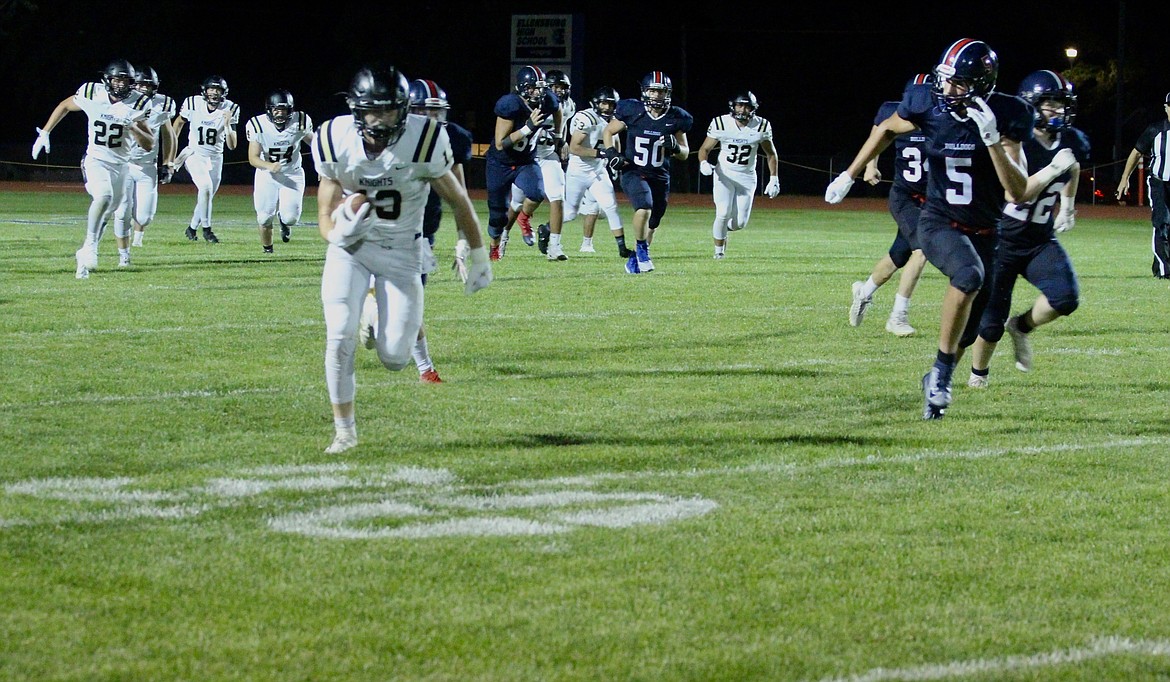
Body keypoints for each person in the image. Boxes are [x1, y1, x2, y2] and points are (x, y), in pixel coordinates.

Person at [824, 38, 1036, 420]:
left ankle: (935, 379)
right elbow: (887, 128)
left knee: (969, 332)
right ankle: (940, 375)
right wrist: (850, 174)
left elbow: (1017, 191)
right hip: (939, 220)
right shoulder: (927, 103)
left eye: (958, 83)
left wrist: (991, 140)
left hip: (987, 230)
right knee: (968, 275)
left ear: (982, 84)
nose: (947, 90)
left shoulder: (1008, 114)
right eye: (945, 80)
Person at [312, 64, 492, 454]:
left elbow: (459, 198)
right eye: (374, 111)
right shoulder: (333, 138)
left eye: (391, 110)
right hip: (352, 250)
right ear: (357, 110)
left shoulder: (424, 139)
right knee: (339, 335)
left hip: (403, 252)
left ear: (404, 109)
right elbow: (325, 217)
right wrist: (339, 232)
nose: (382, 120)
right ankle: (345, 431)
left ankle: (375, 315)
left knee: (395, 358)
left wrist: (476, 252)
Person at [967, 70, 1088, 387]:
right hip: (1002, 238)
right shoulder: (1015, 141)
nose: (1058, 111)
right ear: (1031, 106)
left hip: (1039, 239)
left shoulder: (1070, 140)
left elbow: (1072, 165)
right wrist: (1052, 170)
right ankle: (978, 376)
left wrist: (1069, 205)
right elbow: (1015, 193)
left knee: (1065, 298)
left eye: (1061, 105)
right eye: (1050, 104)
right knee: (990, 321)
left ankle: (1021, 326)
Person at [359, 77, 475, 384]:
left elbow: (459, 196)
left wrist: (462, 242)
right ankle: (425, 367)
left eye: (437, 112)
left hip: (419, 235)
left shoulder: (450, 140)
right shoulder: (383, 139)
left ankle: (376, 320)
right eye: (425, 112)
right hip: (377, 233)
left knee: (409, 306)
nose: (433, 119)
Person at [31, 58, 154, 279]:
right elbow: (65, 105)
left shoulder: (139, 103)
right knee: (104, 197)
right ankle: (90, 246)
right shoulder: (91, 92)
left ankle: (84, 255)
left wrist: (132, 126)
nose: (121, 85)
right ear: (107, 79)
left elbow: (149, 143)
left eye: (125, 80)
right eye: (117, 79)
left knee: (109, 209)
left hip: (122, 164)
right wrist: (46, 132)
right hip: (95, 159)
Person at [849, 74, 933, 337]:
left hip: (933, 201)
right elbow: (879, 134)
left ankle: (863, 292)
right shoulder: (894, 112)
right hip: (905, 196)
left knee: (899, 255)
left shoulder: (941, 118)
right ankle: (898, 316)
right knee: (922, 249)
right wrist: (871, 166)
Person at [602, 71, 693, 274]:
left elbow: (685, 153)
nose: (656, 96)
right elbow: (608, 131)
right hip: (633, 170)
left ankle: (636, 258)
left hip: (660, 175)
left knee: (654, 220)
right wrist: (611, 153)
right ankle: (642, 251)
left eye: (661, 92)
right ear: (645, 92)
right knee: (644, 207)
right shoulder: (633, 110)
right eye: (652, 91)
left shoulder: (675, 117)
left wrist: (677, 148)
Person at [694, 91, 780, 260]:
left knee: (739, 223)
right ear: (733, 106)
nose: (742, 110)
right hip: (724, 174)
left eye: (747, 106)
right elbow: (704, 149)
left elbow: (771, 154)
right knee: (723, 212)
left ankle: (722, 229)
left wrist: (774, 178)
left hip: (747, 177)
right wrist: (703, 162)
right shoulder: (721, 123)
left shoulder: (761, 126)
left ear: (753, 109)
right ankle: (719, 253)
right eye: (740, 105)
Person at [485, 65, 557, 261]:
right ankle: (494, 247)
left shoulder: (547, 101)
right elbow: (501, 144)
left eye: (540, 87)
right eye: (533, 87)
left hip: (525, 160)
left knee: (536, 193)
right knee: (497, 216)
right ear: (523, 87)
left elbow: (556, 109)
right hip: (500, 163)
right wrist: (528, 128)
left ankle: (523, 217)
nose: (538, 92)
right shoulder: (511, 105)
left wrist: (559, 136)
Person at [113, 65, 176, 258]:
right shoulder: (121, 101)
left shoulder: (162, 103)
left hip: (147, 166)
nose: (142, 89)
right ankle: (124, 252)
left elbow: (169, 135)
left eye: (147, 85)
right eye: (139, 84)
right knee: (122, 211)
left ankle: (136, 233)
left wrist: (168, 162)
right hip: (124, 163)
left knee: (144, 216)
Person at [245, 89, 315, 253]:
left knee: (291, 218)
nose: (280, 114)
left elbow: (316, 144)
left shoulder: (300, 121)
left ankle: (284, 222)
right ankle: (268, 250)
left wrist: (323, 163)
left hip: (292, 174)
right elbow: (253, 158)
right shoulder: (258, 125)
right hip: (266, 175)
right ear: (269, 109)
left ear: (290, 110)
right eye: (276, 109)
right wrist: (269, 166)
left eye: (284, 109)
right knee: (263, 217)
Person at [173, 75, 239, 244]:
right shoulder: (192, 103)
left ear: (223, 92)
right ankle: (207, 230)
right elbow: (179, 122)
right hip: (194, 154)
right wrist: (171, 149)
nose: (214, 93)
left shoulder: (231, 108)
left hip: (216, 157)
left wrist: (227, 124)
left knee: (207, 195)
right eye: (211, 89)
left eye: (217, 90)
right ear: (204, 91)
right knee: (206, 187)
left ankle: (192, 228)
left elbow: (232, 145)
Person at [564, 86, 627, 254]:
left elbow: (615, 139)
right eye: (604, 103)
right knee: (570, 213)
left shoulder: (614, 120)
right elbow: (574, 148)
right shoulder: (587, 118)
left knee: (610, 206)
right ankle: (547, 229)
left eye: (611, 104)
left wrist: (615, 161)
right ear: (595, 103)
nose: (607, 108)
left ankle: (622, 248)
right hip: (578, 170)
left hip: (598, 170)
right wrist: (601, 153)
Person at [1115, 92, 1170, 279]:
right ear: (1166, 108)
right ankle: (1164, 271)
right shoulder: (1155, 130)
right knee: (1161, 223)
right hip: (1159, 183)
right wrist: (1125, 178)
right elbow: (1136, 153)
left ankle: (1160, 266)